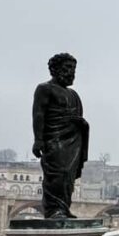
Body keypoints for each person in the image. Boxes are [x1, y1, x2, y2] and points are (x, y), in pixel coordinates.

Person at [32, 53, 89, 218]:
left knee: (68, 177)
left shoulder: (73, 95)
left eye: (73, 69)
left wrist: (82, 124)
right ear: (55, 69)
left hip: (73, 140)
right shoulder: (44, 89)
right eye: (67, 68)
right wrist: (38, 139)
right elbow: (38, 115)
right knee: (57, 174)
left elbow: (78, 116)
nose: (71, 73)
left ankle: (63, 208)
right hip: (54, 137)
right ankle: (53, 210)